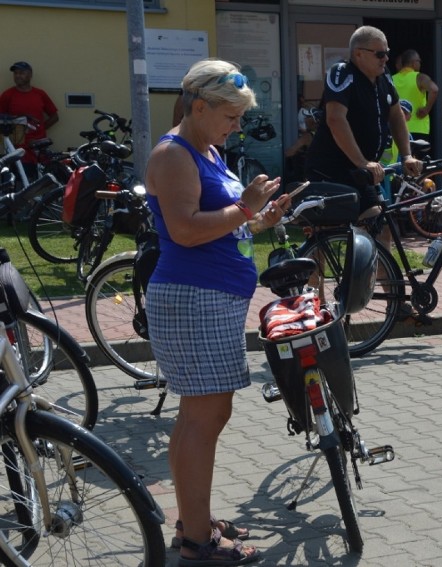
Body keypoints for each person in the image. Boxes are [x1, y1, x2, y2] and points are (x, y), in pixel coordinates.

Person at [144, 58, 291, 566]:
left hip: (211, 297)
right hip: (193, 297)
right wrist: (246, 208)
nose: (236, 126)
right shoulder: (172, 153)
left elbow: (223, 223)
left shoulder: (205, 149)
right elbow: (184, 229)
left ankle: (195, 522)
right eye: (230, 116)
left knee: (202, 415)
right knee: (204, 417)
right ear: (199, 106)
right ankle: (197, 542)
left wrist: (260, 219)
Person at [304, 25, 421, 221]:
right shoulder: (342, 73)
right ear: (359, 54)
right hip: (331, 168)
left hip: (361, 172)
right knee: (328, 231)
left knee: (379, 224)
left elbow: (396, 115)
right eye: (380, 54)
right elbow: (335, 118)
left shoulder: (384, 78)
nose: (386, 59)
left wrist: (406, 155)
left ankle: (362, 251)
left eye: (387, 53)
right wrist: (362, 162)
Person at [0, 61, 59, 178]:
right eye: (15, 73)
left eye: (22, 73)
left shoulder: (39, 94)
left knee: (42, 179)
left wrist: (40, 128)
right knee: (22, 180)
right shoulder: (8, 95)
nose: (18, 76)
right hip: (18, 148)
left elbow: (54, 116)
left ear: (30, 75)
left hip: (40, 147)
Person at [392, 49, 439, 143]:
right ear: (413, 63)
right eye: (419, 61)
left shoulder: (392, 79)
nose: (420, 64)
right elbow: (434, 89)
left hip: (396, 129)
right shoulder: (419, 77)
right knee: (417, 157)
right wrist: (426, 109)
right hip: (418, 129)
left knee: (400, 157)